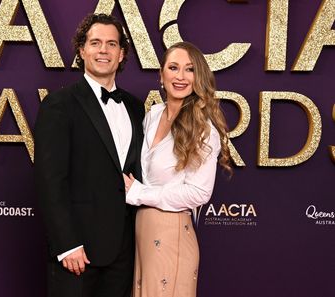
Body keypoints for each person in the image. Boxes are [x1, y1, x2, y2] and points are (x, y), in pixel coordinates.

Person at [34, 13, 144, 297]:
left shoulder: (135, 107)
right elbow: (50, 180)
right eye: (95, 43)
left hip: (124, 251)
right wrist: (66, 244)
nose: (103, 50)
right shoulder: (59, 104)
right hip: (77, 252)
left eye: (111, 44)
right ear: (82, 50)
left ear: (122, 54)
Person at [123, 41, 232, 297]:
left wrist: (139, 193)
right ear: (161, 75)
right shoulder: (152, 115)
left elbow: (198, 193)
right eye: (173, 67)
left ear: (199, 77)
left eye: (189, 69)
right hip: (142, 230)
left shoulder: (203, 129)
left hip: (173, 232)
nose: (181, 76)